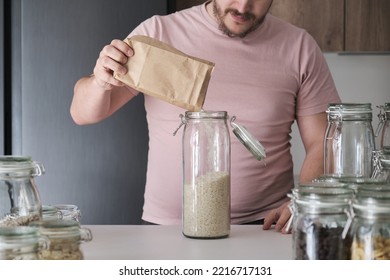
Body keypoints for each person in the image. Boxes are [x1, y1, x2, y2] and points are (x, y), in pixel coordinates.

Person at [70, 0, 341, 234]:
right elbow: (82, 114)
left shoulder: (299, 46)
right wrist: (100, 83)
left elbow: (324, 140)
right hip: (168, 228)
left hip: (266, 226)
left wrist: (305, 199)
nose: (243, 6)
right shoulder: (159, 33)